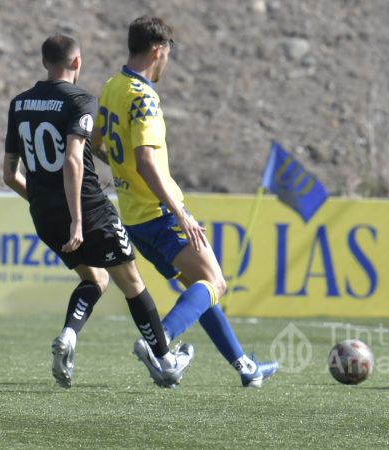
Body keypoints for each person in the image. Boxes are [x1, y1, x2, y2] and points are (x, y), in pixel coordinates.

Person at [92, 16, 278, 387]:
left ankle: (245, 367)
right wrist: (181, 214)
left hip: (133, 215)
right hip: (160, 212)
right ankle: (158, 342)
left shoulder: (113, 86)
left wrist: (123, 174)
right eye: (168, 55)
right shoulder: (143, 98)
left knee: (202, 286)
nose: (167, 62)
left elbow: (97, 142)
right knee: (216, 283)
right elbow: (145, 159)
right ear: (159, 50)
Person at [2, 33, 193, 389]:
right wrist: (77, 219)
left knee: (96, 279)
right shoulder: (81, 101)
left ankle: (69, 336)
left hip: (44, 215)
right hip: (89, 212)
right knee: (133, 283)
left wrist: (44, 203)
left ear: (45, 63)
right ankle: (166, 360)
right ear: (77, 62)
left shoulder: (19, 104)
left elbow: (9, 175)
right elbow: (74, 159)